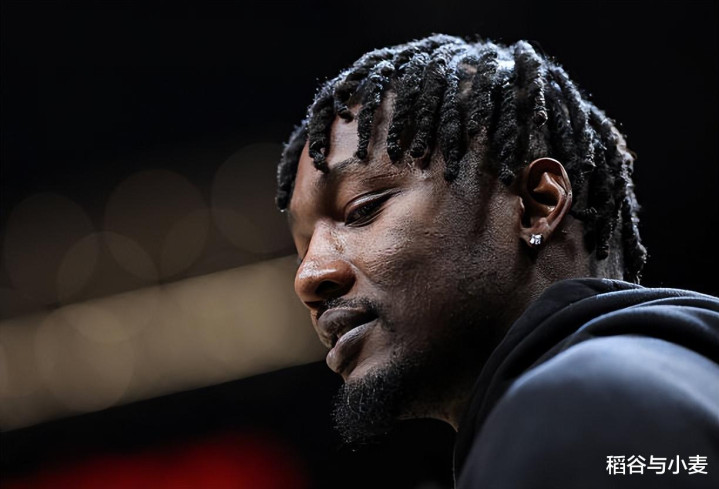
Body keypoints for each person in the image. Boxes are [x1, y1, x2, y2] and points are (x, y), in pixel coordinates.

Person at [275, 34, 719, 488]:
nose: (308, 278)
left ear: (537, 204)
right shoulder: (664, 382)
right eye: (302, 250)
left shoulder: (574, 409)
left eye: (362, 210)